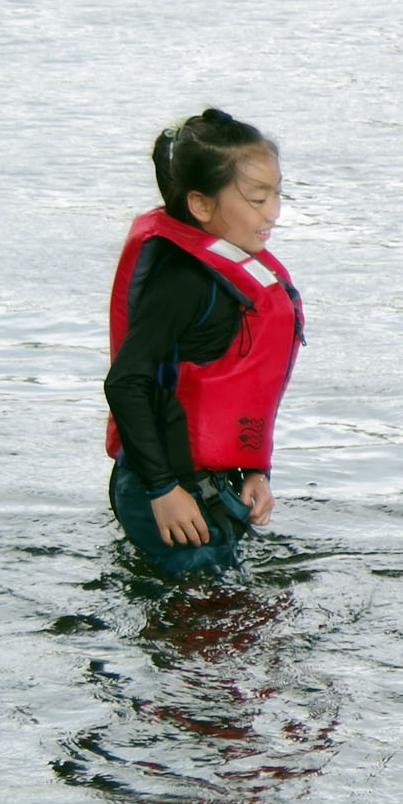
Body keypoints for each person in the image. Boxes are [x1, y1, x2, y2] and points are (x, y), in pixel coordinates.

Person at [103, 110, 303, 576]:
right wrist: (163, 491)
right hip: (161, 485)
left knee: (223, 614)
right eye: (257, 198)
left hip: (212, 480)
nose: (273, 211)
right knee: (205, 622)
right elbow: (126, 382)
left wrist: (256, 472)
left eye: (278, 193)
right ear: (201, 205)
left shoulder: (232, 274)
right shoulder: (182, 282)